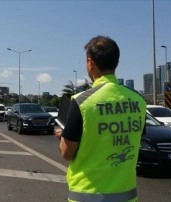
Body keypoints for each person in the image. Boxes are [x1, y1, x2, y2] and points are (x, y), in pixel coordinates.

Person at [54, 35, 147, 202]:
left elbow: (67, 153)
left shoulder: (82, 101)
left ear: (90, 62)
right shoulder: (138, 100)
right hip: (127, 197)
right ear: (116, 62)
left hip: (86, 196)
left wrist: (63, 136)